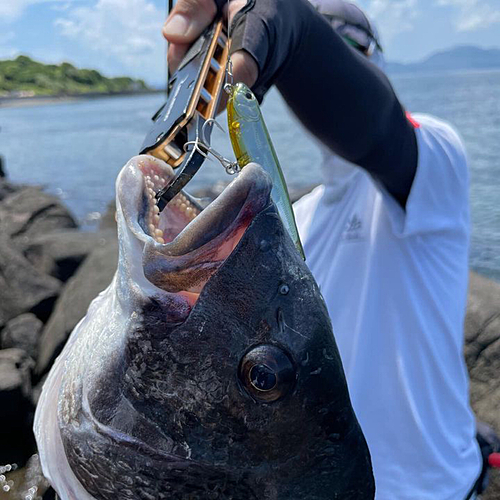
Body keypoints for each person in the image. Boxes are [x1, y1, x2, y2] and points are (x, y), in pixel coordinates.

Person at [162, 0, 483, 498]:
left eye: (351, 49)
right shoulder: (296, 218)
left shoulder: (435, 160)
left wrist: (297, 32)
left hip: (435, 486)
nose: (337, 64)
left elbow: (375, 125)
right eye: (328, 42)